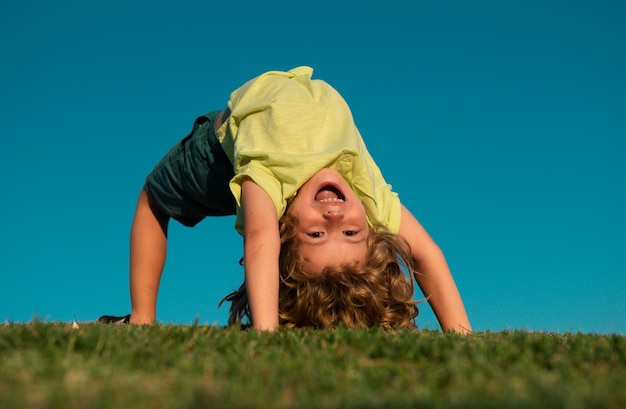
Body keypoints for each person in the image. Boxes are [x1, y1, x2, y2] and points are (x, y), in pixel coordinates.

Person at [98, 66, 472, 333]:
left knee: (153, 201)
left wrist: (266, 334)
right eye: (351, 232)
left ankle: (141, 317)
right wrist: (462, 338)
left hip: (218, 154)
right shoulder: (368, 196)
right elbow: (427, 254)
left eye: (316, 235)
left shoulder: (269, 182)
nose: (333, 216)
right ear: (371, 229)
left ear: (285, 233)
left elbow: (260, 238)